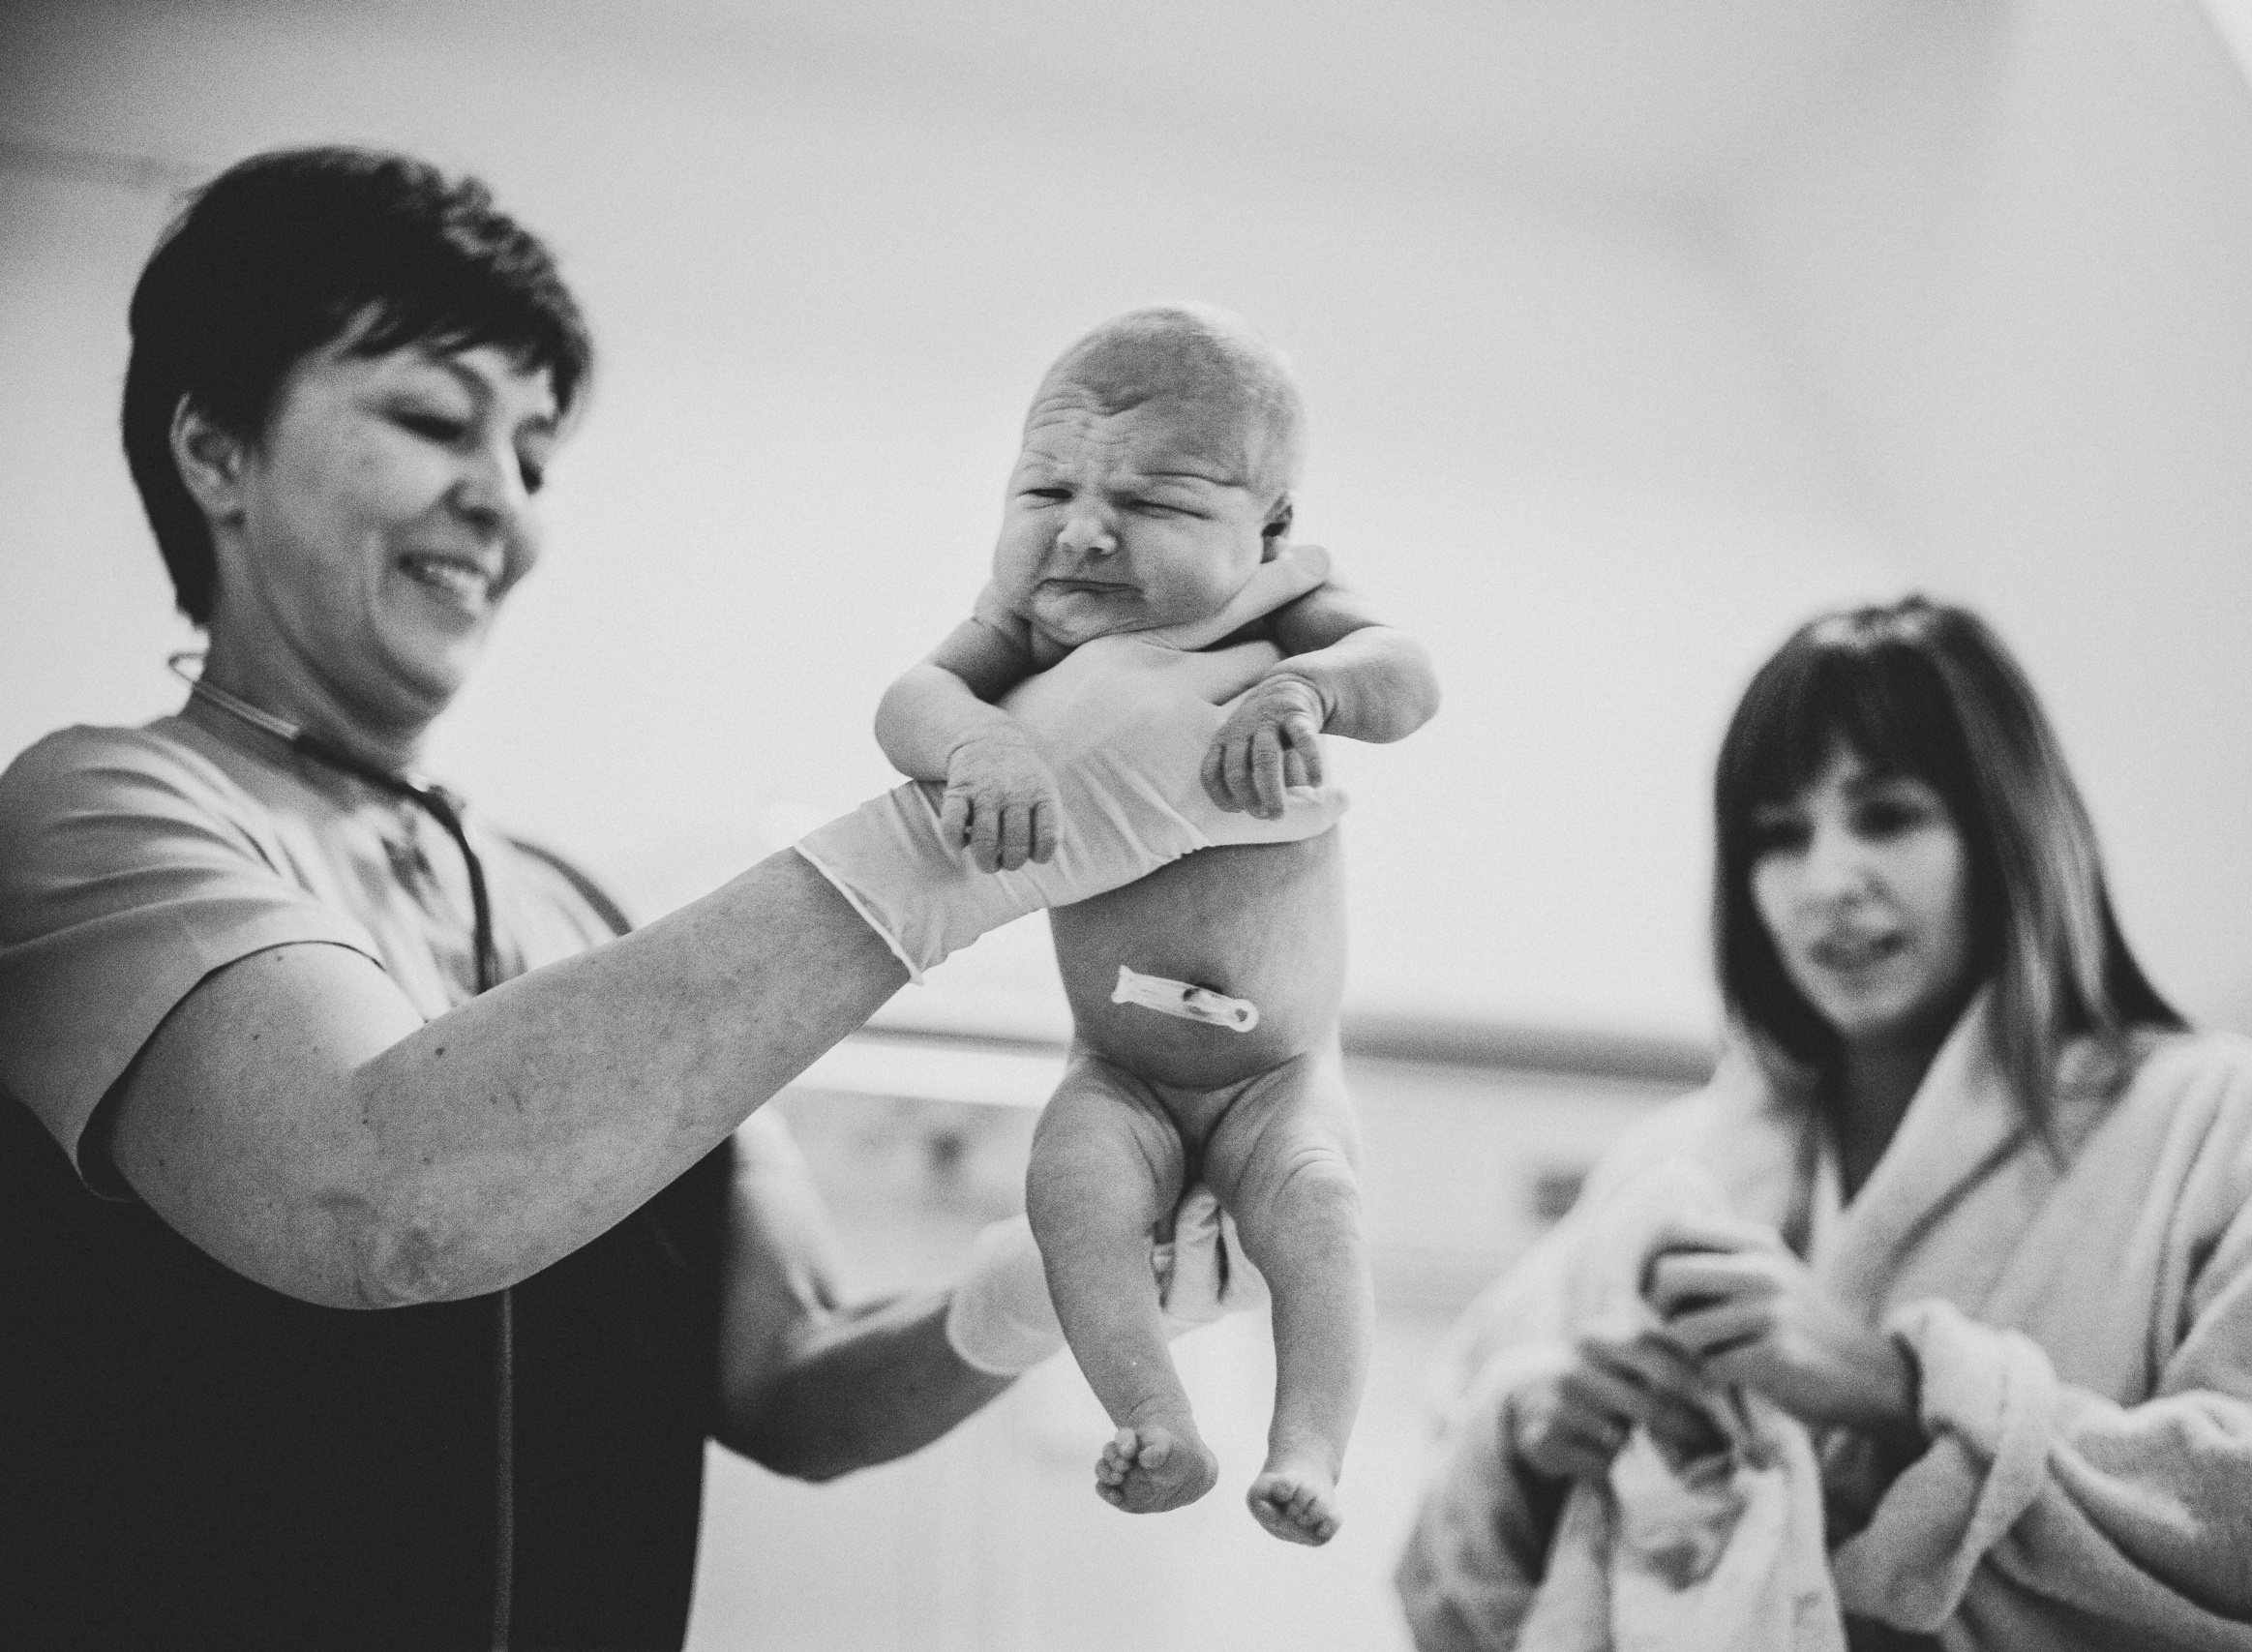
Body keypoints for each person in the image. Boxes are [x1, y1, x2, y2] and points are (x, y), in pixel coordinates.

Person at [0, 147, 1340, 1652]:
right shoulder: (96, 812)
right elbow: (375, 1194)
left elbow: (794, 1378)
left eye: (533, 457)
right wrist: (959, 838)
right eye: (435, 419)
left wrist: (1022, 1296)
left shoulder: (577, 905)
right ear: (214, 449)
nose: (495, 500)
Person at [1396, 598, 2252, 1649]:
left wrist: (1900, 1388)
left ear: (2005, 829)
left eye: (1886, 814)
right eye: (1778, 837)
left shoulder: (2227, 1125)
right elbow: (1442, 1572)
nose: (1828, 882)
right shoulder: (1673, 1168)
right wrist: (1525, 1446)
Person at [871, 303, 1439, 1545]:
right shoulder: (1028, 625)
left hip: (1277, 1078)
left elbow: (1409, 678)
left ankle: (1308, 1451)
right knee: (1068, 1191)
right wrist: (982, 741)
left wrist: (1310, 687)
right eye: (1045, 487)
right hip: (1115, 1071)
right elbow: (912, 698)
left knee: (1321, 1215)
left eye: (1156, 503)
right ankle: (1156, 1419)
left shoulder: (1285, 605)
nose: (1083, 530)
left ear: (1267, 528)